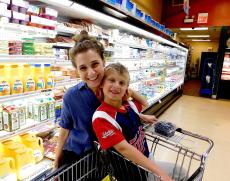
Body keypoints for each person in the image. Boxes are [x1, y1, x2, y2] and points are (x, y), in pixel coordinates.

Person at [53, 31, 157, 177]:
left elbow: (131, 109)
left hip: (104, 158)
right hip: (78, 157)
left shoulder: (112, 90)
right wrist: (56, 160)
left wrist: (136, 108)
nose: (91, 73)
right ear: (77, 71)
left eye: (95, 64)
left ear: (103, 62)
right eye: (83, 68)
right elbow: (65, 128)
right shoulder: (72, 96)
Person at [92, 63, 173, 181]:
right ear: (101, 84)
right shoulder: (101, 118)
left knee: (182, 172)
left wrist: (138, 111)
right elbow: (124, 149)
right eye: (111, 80)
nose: (116, 85)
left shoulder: (130, 106)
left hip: (147, 160)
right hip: (132, 173)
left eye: (121, 83)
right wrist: (161, 174)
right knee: (179, 174)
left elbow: (145, 102)